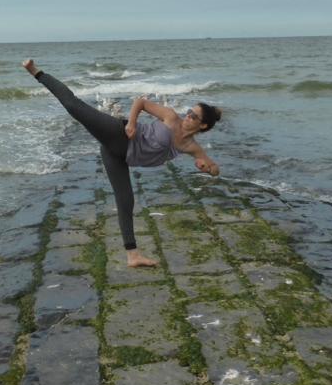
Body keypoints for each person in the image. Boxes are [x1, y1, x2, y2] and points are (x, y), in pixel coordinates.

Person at [22, 59, 222, 268]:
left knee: (125, 200)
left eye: (193, 116)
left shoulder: (192, 147)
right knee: (74, 106)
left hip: (117, 156)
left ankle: (132, 255)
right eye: (189, 111)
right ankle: (36, 72)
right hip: (118, 134)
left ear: (203, 125)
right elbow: (140, 102)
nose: (187, 115)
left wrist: (207, 169)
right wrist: (133, 122)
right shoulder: (171, 117)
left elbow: (215, 169)